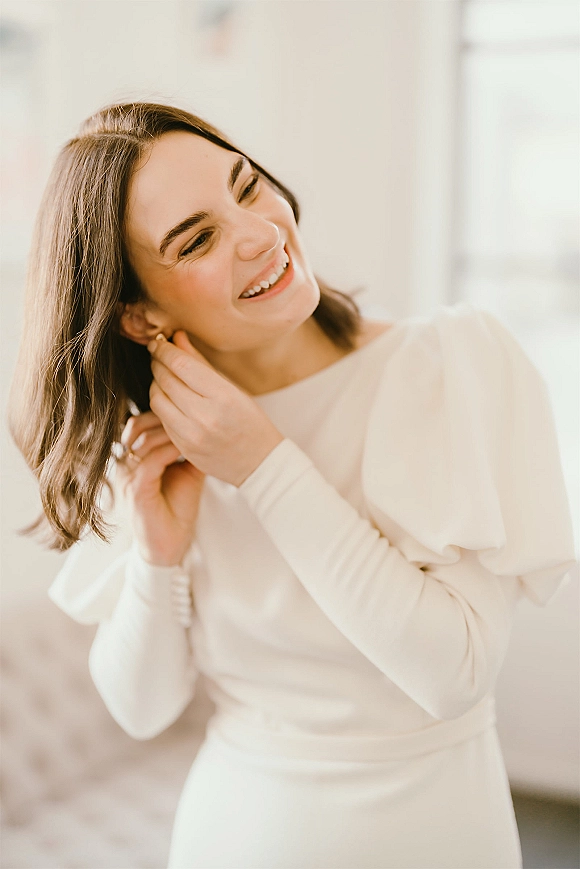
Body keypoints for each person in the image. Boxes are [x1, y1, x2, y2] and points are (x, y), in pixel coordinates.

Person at [8, 102, 576, 869]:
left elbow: (455, 674)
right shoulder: (158, 442)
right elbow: (142, 708)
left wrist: (265, 465)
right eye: (197, 239)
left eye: (247, 186)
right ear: (138, 316)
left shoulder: (447, 365)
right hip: (236, 835)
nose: (259, 233)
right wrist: (157, 554)